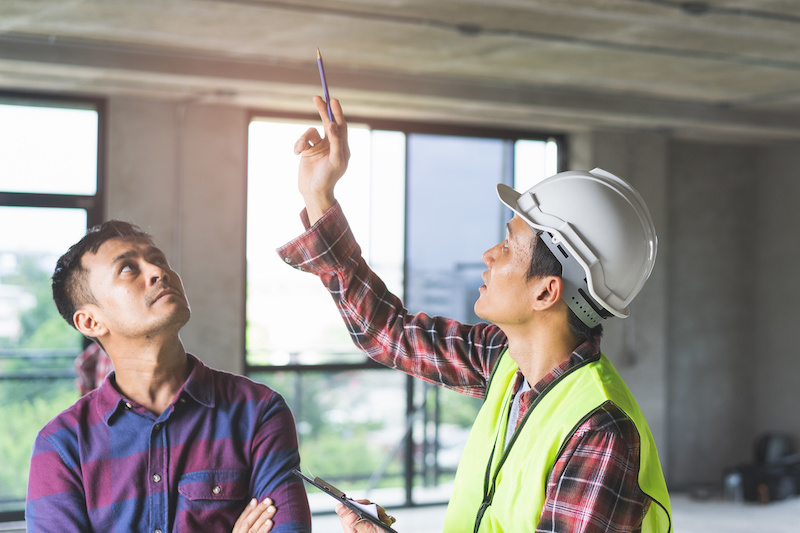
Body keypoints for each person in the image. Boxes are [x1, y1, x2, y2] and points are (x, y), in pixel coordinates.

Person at [278, 96, 672, 532]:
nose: (488, 254)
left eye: (507, 245)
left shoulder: (601, 432)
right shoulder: (506, 362)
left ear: (546, 291)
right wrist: (318, 196)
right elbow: (387, 331)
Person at [27, 221, 311, 533]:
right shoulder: (61, 446)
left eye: (159, 259)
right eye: (127, 269)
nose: (158, 272)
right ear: (92, 321)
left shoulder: (259, 411)